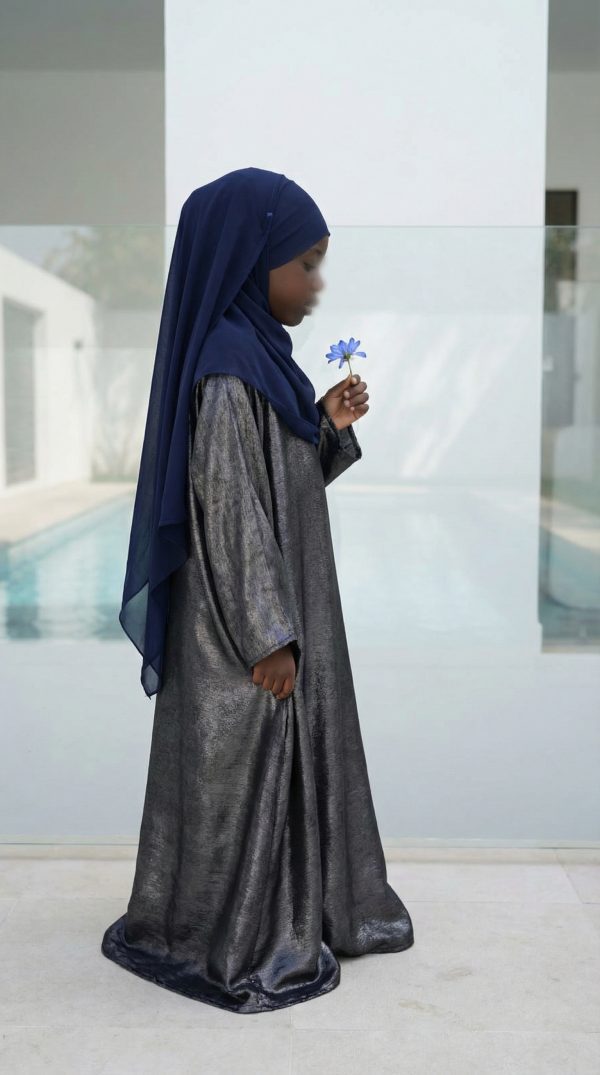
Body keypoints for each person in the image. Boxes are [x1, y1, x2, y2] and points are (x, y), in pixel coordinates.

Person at [101, 167, 414, 1014]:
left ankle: (309, 905)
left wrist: (325, 427)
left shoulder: (261, 361)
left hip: (277, 616)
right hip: (245, 636)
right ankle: (231, 930)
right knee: (247, 770)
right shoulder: (228, 368)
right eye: (305, 264)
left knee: (289, 762)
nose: (316, 284)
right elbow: (231, 510)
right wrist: (268, 635)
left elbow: (278, 486)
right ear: (251, 259)